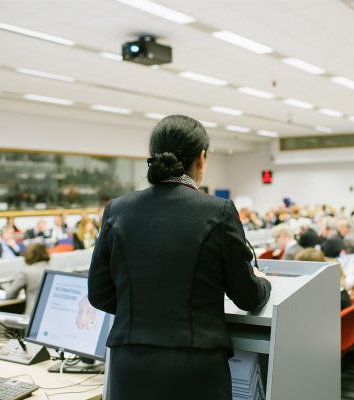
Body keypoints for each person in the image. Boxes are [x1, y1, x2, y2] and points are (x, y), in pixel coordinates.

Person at [87, 115, 271, 400]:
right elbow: (247, 297)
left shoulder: (117, 210)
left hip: (130, 364)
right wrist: (262, 282)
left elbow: (99, 294)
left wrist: (144, 311)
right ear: (201, 158)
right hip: (194, 368)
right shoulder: (217, 211)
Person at [2, 243, 50, 314]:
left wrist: (6, 286)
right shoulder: (53, 269)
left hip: (32, 314)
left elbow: (10, 295)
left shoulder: (26, 271)